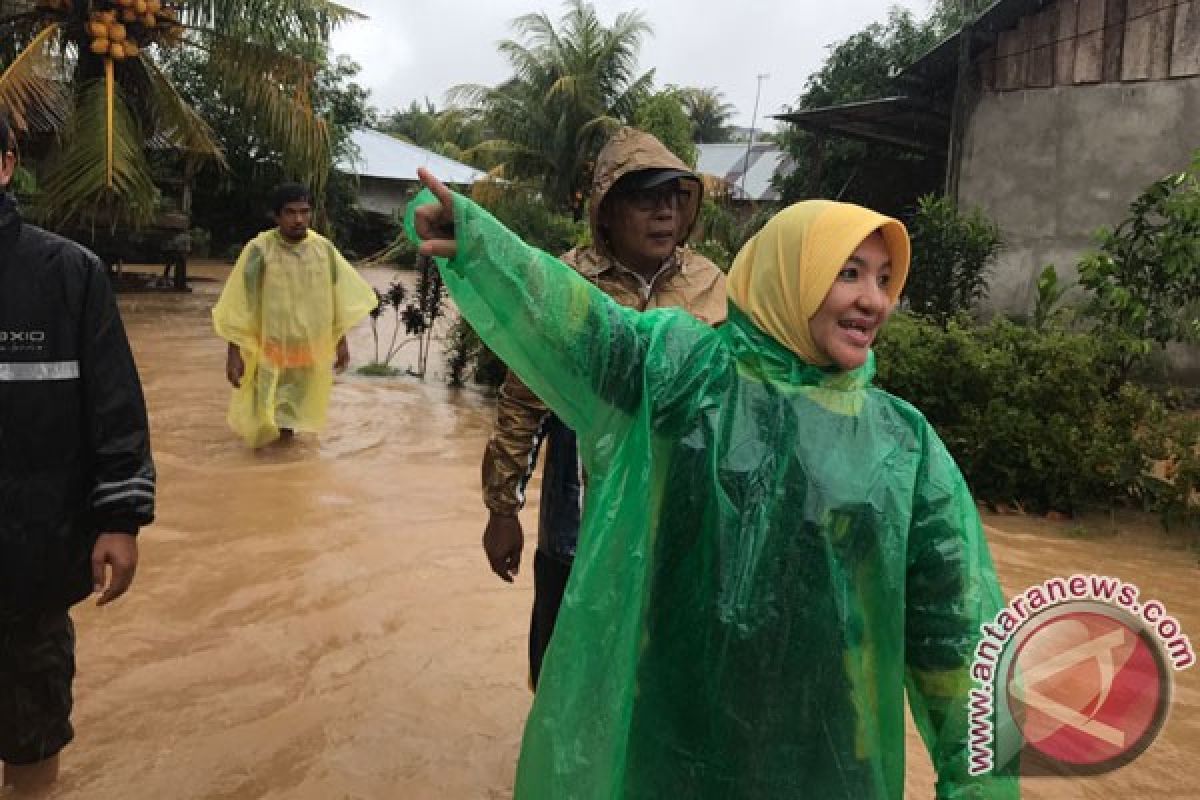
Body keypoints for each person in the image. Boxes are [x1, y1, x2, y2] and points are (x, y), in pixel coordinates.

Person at [409, 168, 1018, 798]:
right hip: (673, 727)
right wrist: (484, 246)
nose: (874, 299)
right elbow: (585, 329)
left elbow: (957, 633)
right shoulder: (685, 376)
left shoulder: (903, 444)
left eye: (885, 279)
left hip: (825, 750)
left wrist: (983, 786)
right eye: (850, 272)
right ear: (790, 275)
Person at [480, 127, 726, 688]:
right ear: (608, 210)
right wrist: (502, 510)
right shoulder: (564, 282)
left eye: (672, 199)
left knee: (658, 669)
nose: (664, 214)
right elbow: (522, 400)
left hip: (677, 508)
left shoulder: (711, 284)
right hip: (578, 497)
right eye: (645, 199)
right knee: (563, 662)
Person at [0, 114, 156, 794]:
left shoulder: (67, 274)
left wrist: (120, 520)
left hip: (29, 566)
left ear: (5, 165)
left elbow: (115, 408)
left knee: (31, 736)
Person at [212, 183, 377, 448]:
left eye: (304, 212)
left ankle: (282, 472)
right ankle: (265, 474)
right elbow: (242, 304)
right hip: (269, 350)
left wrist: (340, 341)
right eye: (290, 212)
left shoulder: (323, 250)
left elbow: (335, 297)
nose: (298, 219)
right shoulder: (259, 250)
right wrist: (234, 353)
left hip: (306, 351)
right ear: (276, 217)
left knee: (290, 421)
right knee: (264, 422)